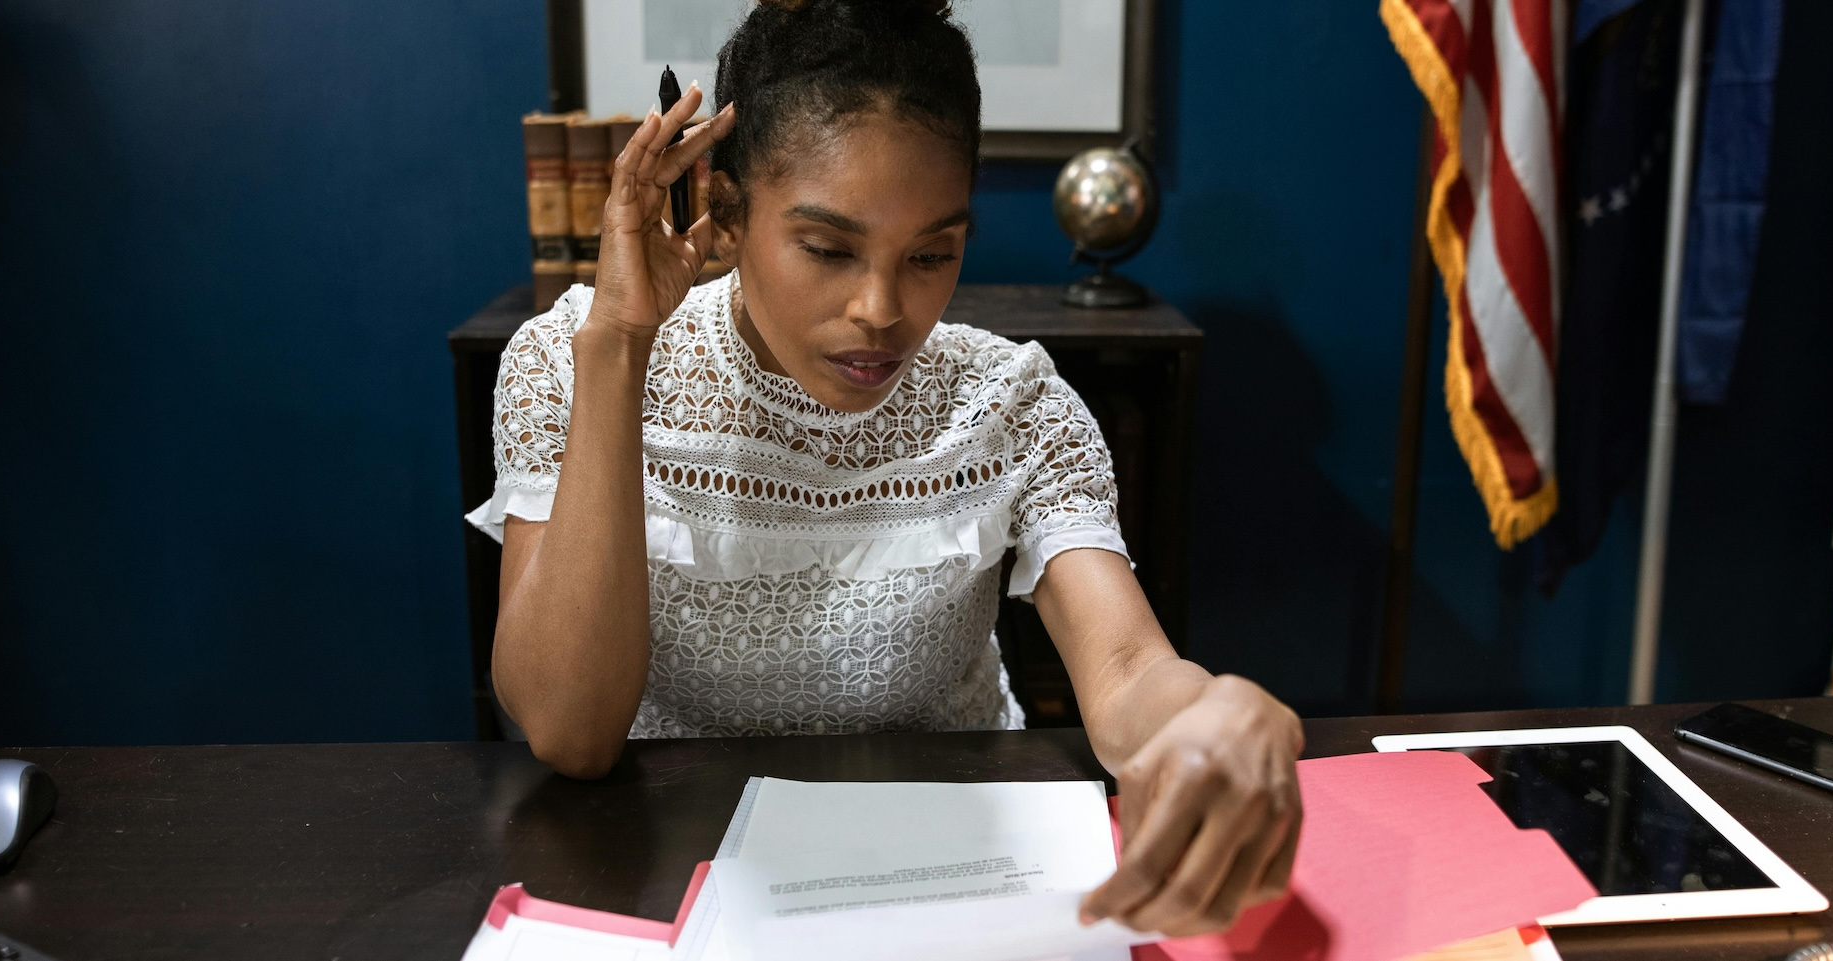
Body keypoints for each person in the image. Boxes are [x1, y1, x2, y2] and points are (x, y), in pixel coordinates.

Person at [466, 0, 1302, 937]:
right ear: (729, 212)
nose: (881, 309)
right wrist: (620, 343)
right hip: (675, 880)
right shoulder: (564, 361)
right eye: (828, 248)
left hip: (952, 887)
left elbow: (1129, 668)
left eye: (932, 253)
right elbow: (570, 735)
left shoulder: (1010, 400)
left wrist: (1205, 718)